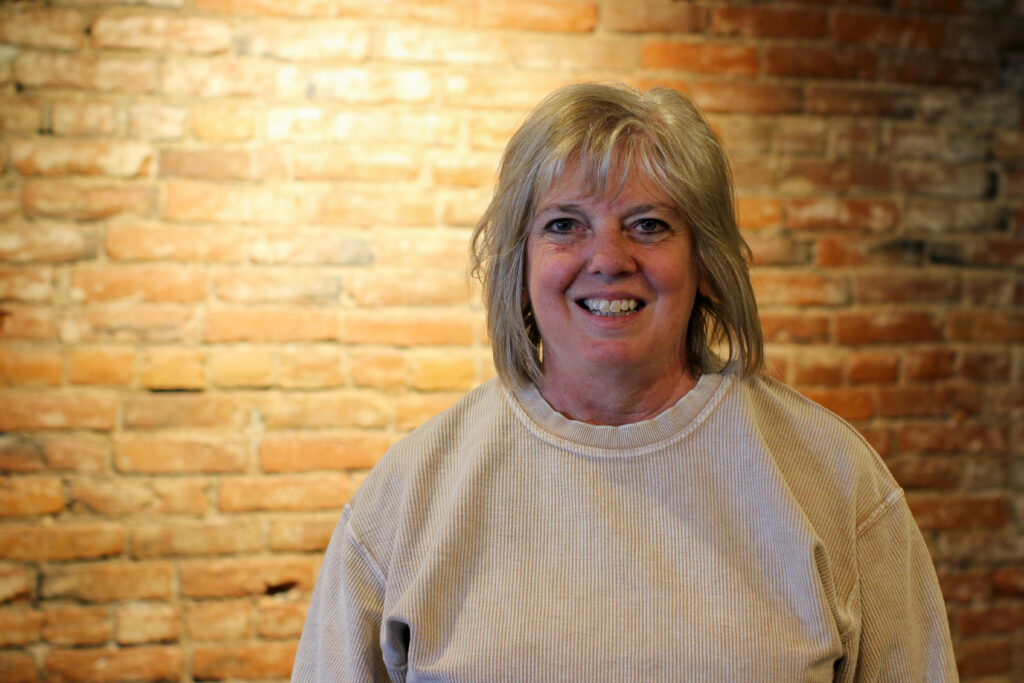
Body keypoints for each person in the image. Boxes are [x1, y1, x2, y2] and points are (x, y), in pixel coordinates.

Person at [292, 82, 957, 681]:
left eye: (648, 224)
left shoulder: (834, 482)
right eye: (564, 225)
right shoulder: (410, 497)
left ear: (705, 260)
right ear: (520, 264)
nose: (608, 259)